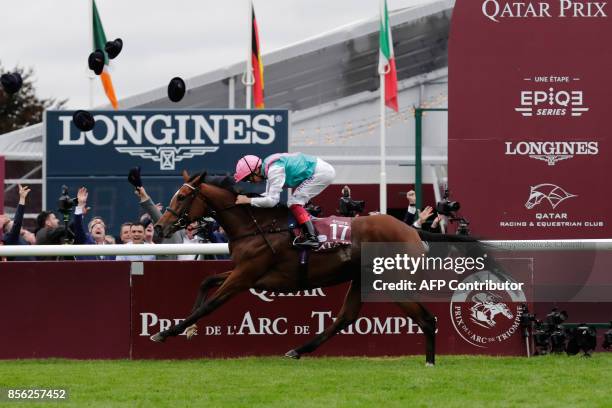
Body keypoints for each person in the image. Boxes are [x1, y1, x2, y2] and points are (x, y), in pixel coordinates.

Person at [234, 152, 335, 249]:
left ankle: (312, 238)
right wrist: (248, 199)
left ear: (256, 170)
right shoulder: (268, 168)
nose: (249, 182)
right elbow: (268, 197)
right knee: (294, 202)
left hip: (320, 173)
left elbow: (272, 201)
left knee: (294, 203)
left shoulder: (274, 170)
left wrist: (248, 200)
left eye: (248, 178)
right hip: (318, 170)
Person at [1, 185, 36, 261]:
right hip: (24, 271)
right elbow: (18, 221)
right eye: (12, 223)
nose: (21, 226)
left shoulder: (20, 238)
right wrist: (22, 199)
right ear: (10, 230)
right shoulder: (10, 238)